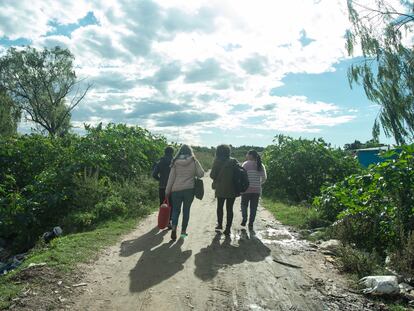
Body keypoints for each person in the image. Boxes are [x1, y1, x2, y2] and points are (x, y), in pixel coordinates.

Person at [165, 145, 205, 241]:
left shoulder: (175, 162)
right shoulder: (194, 160)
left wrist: (167, 191)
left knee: (175, 210)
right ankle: (183, 232)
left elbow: (171, 178)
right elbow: (201, 174)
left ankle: (174, 227)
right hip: (189, 190)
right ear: (189, 151)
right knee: (186, 211)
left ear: (180, 151)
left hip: (176, 190)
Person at [210, 144, 238, 236]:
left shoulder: (217, 161)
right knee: (230, 209)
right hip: (232, 189)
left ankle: (220, 224)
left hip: (220, 188)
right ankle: (228, 228)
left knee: (220, 207)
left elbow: (212, 175)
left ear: (217, 152)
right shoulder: (234, 161)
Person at [241, 150, 267, 230]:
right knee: (254, 208)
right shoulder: (260, 165)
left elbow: (242, 177)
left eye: (247, 154)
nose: (246, 155)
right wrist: (258, 184)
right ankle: (251, 223)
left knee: (244, 205)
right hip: (256, 190)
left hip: (246, 190)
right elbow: (264, 178)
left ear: (251, 155)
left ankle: (244, 218)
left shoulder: (245, 164)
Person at [152, 146, 174, 229]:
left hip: (162, 186)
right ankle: (169, 221)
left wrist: (160, 179)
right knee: (171, 204)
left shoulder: (160, 162)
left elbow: (154, 174)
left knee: (162, 203)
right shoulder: (174, 162)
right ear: (172, 153)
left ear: (164, 152)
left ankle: (162, 221)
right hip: (172, 186)